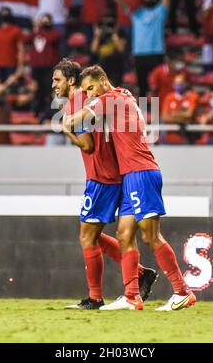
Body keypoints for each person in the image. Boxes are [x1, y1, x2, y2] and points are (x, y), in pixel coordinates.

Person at [65, 65, 196, 311]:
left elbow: (76, 119)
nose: (90, 94)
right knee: (124, 235)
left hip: (141, 172)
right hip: (130, 176)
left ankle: (182, 291)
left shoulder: (110, 99)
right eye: (86, 90)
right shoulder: (123, 94)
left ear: (103, 80)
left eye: (91, 88)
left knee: (150, 236)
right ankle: (132, 295)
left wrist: (66, 122)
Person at [52, 59, 158, 310]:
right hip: (116, 173)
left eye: (57, 80)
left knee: (87, 237)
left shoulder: (75, 104)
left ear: (71, 81)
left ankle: (95, 297)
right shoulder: (93, 99)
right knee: (103, 235)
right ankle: (137, 278)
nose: (53, 85)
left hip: (101, 177)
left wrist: (63, 128)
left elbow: (88, 145)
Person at [0, 7, 25, 82]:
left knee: (11, 89)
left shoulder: (16, 30)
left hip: (12, 65)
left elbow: (21, 50)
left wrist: (20, 67)